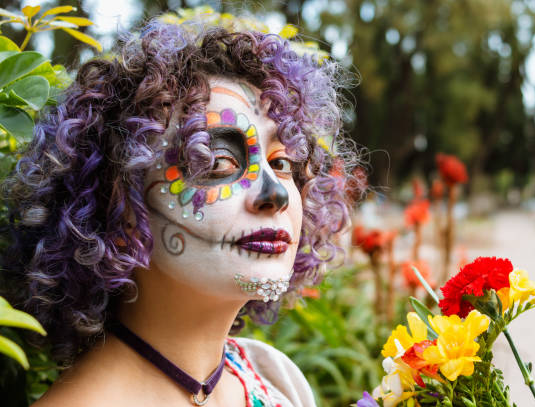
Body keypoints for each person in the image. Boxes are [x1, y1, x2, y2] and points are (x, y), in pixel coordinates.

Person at [1, 13, 362, 407]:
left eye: (283, 163)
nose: (274, 193)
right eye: (216, 161)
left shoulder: (277, 379)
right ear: (118, 209)